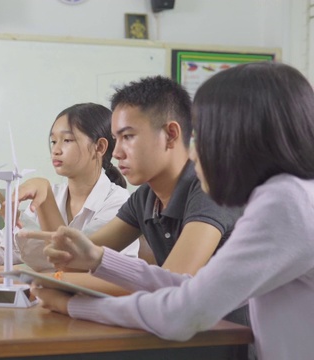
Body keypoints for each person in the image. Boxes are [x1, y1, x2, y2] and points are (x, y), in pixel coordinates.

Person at [31, 61, 314, 360]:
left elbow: (183, 309)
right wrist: (99, 259)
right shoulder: (288, 195)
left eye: (204, 134)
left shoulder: (285, 202)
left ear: (238, 135)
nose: (195, 151)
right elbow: (187, 286)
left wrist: (73, 305)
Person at [15, 77, 244, 304]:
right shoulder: (145, 198)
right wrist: (27, 276)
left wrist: (48, 280)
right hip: (179, 330)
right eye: (116, 139)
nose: (116, 153)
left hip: (229, 335)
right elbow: (74, 260)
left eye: (128, 137)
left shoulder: (208, 188)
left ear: (171, 134)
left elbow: (172, 282)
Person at [0, 103, 139, 289]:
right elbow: (8, 253)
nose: (56, 150)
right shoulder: (52, 193)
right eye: (53, 141)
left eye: (67, 140)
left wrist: (31, 276)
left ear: (99, 147)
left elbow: (76, 264)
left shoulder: (119, 202)